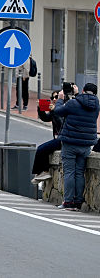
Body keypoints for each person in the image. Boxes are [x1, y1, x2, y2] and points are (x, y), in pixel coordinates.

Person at [52, 82, 99, 210]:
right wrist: (77, 94)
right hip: (86, 144)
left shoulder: (73, 103)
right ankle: (78, 202)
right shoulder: (96, 105)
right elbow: (84, 102)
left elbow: (57, 112)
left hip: (70, 143)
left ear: (83, 90)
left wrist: (61, 100)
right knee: (79, 173)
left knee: (69, 172)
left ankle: (68, 201)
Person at [32, 89, 67, 184]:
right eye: (52, 98)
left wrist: (54, 111)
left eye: (56, 97)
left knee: (41, 149)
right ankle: (42, 172)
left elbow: (62, 124)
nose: (54, 99)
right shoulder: (55, 110)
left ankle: (43, 172)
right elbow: (45, 118)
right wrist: (40, 108)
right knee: (44, 149)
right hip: (57, 139)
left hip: (64, 139)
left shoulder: (65, 108)